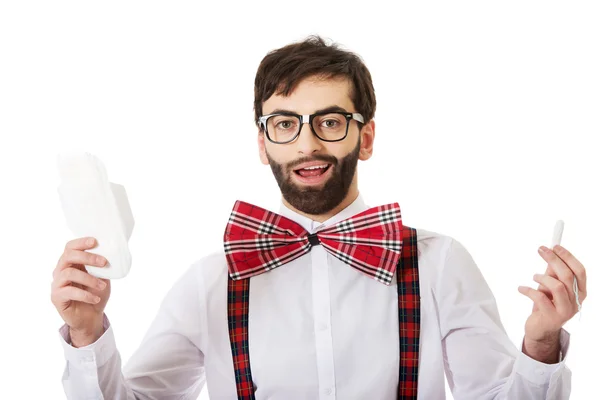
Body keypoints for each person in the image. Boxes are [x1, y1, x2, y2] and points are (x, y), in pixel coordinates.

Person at [51, 35, 587, 399]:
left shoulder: (440, 264)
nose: (307, 144)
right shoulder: (211, 282)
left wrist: (540, 342)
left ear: (366, 136)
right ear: (263, 144)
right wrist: (87, 331)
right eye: (284, 124)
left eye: (330, 120)